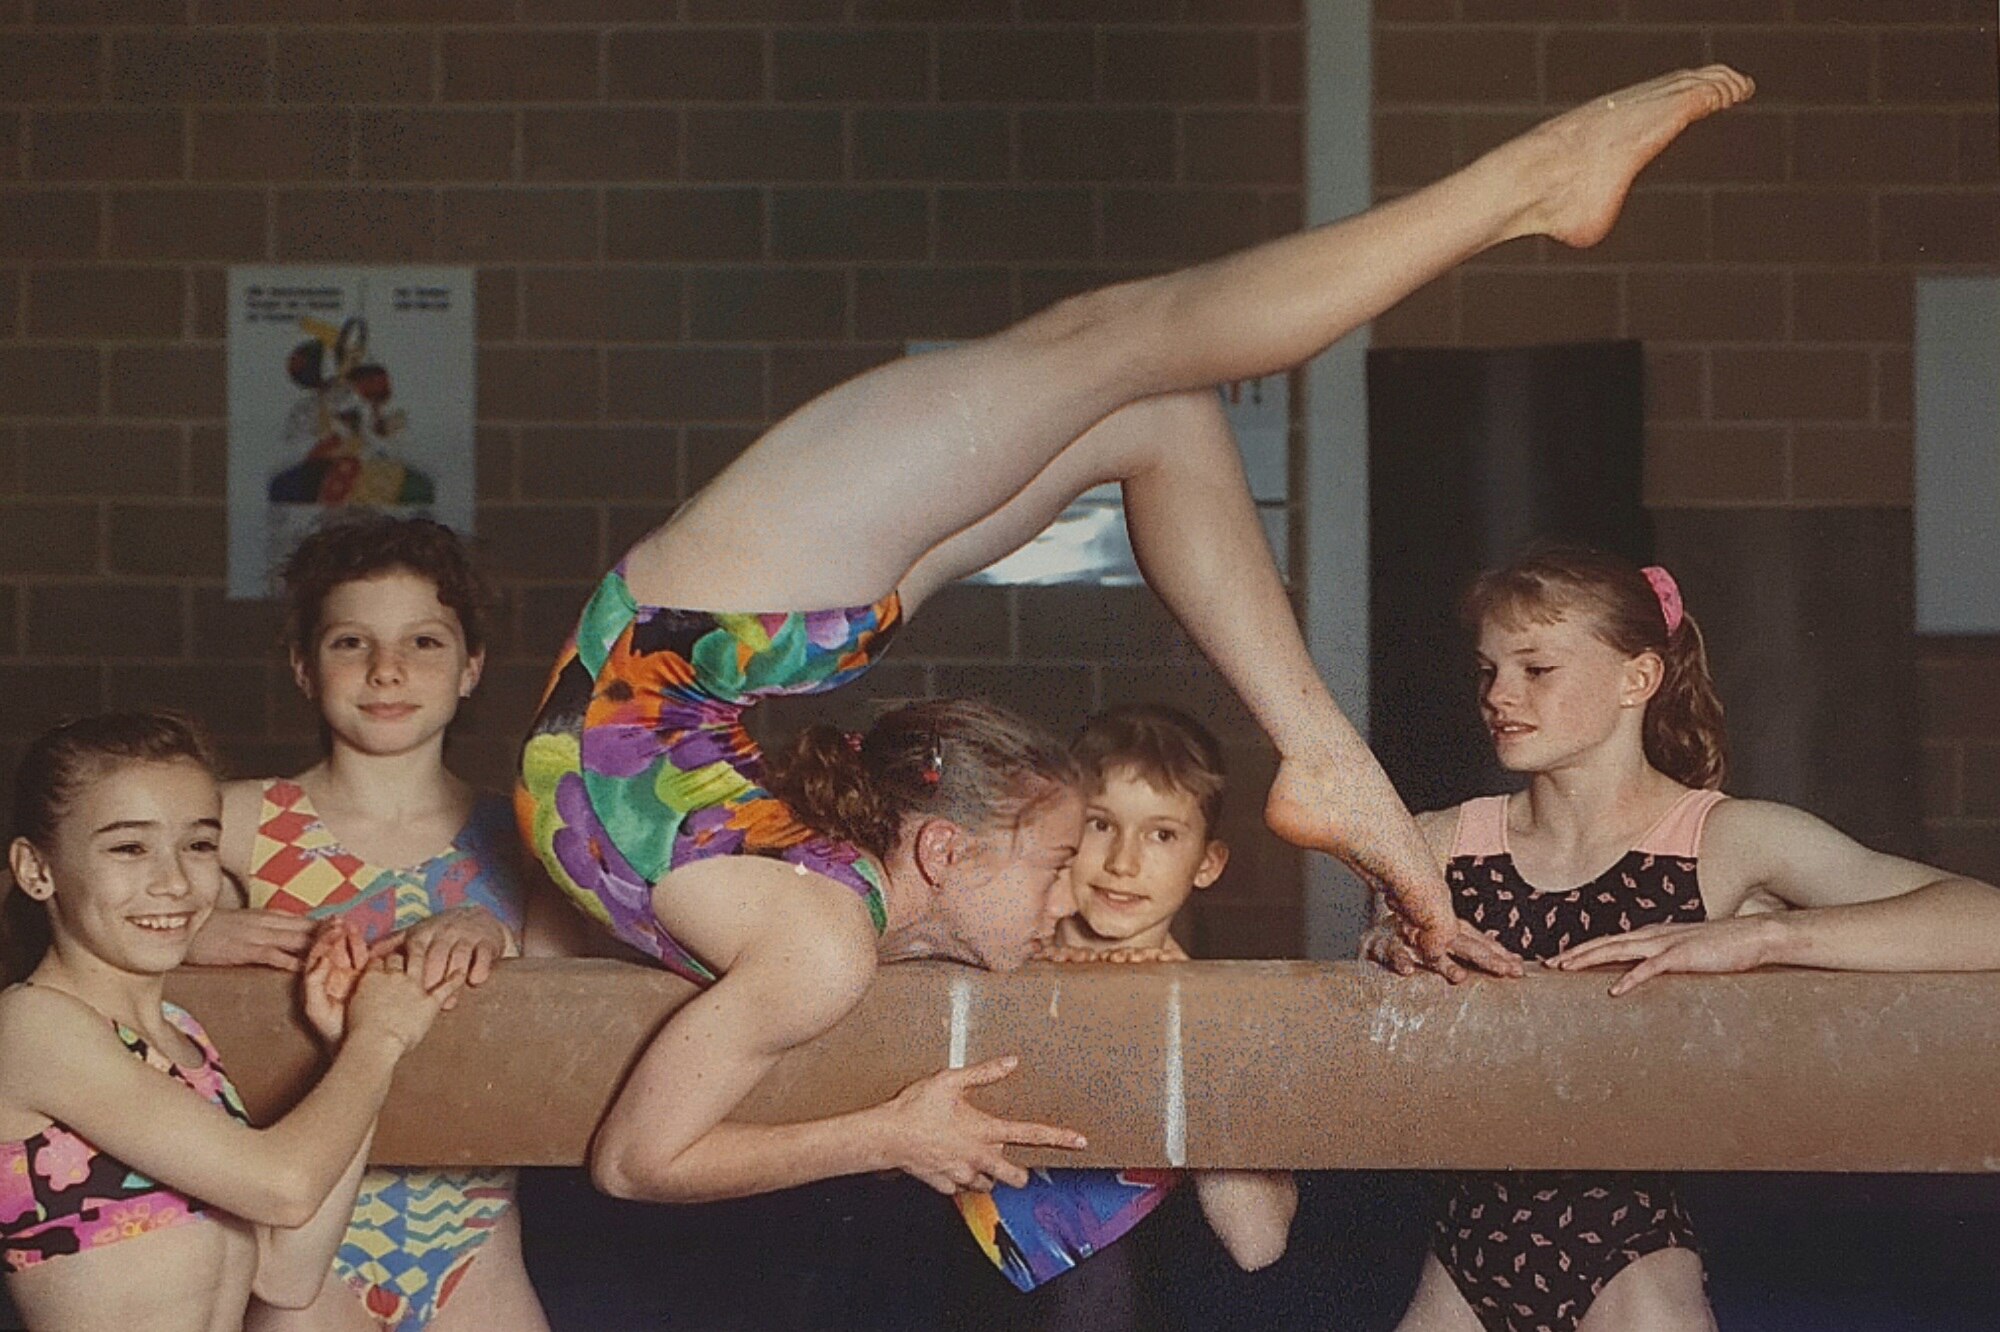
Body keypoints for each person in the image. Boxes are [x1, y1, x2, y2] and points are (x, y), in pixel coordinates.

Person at [518, 67, 1757, 1206]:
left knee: (1147, 379)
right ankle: (1522, 185)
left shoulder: (827, 930)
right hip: (696, 649)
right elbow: (637, 1163)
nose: (1074, 890)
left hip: (692, 648)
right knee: (1137, 367)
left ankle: (1326, 756)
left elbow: (628, 1063)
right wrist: (885, 1132)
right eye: (1058, 862)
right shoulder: (822, 953)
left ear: (940, 855)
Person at [1363, 545, 2000, 1332]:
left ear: (1638, 678)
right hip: (1462, 1262)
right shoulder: (1437, 844)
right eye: (1488, 671)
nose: (1500, 695)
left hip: (1631, 1258)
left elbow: (1984, 920)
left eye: (1536, 670)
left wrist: (1765, 937)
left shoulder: (1726, 841)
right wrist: (1384, 950)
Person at [188, 517, 547, 1332]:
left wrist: (496, 933)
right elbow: (40, 896)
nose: (387, 670)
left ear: (471, 667)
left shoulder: (522, 840)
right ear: (304, 668)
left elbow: (607, 973)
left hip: (473, 1252)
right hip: (308, 1254)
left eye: (423, 642)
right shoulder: (240, 821)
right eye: (351, 642)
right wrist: (184, 932)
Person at [0, 711, 460, 1332]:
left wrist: (346, 1045)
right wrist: (380, 1039)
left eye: (198, 845)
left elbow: (285, 1275)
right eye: (129, 848)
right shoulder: (33, 1026)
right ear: (36, 870)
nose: (175, 882)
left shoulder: (181, 1036)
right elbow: (285, 1186)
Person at [958, 705, 1296, 1328]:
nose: (1123, 862)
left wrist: (1188, 1048)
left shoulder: (1211, 1016)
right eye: (1100, 825)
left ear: (1208, 863)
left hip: (1116, 1284)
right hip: (964, 1272)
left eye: (1162, 834)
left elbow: (1259, 1244)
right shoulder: (985, 959)